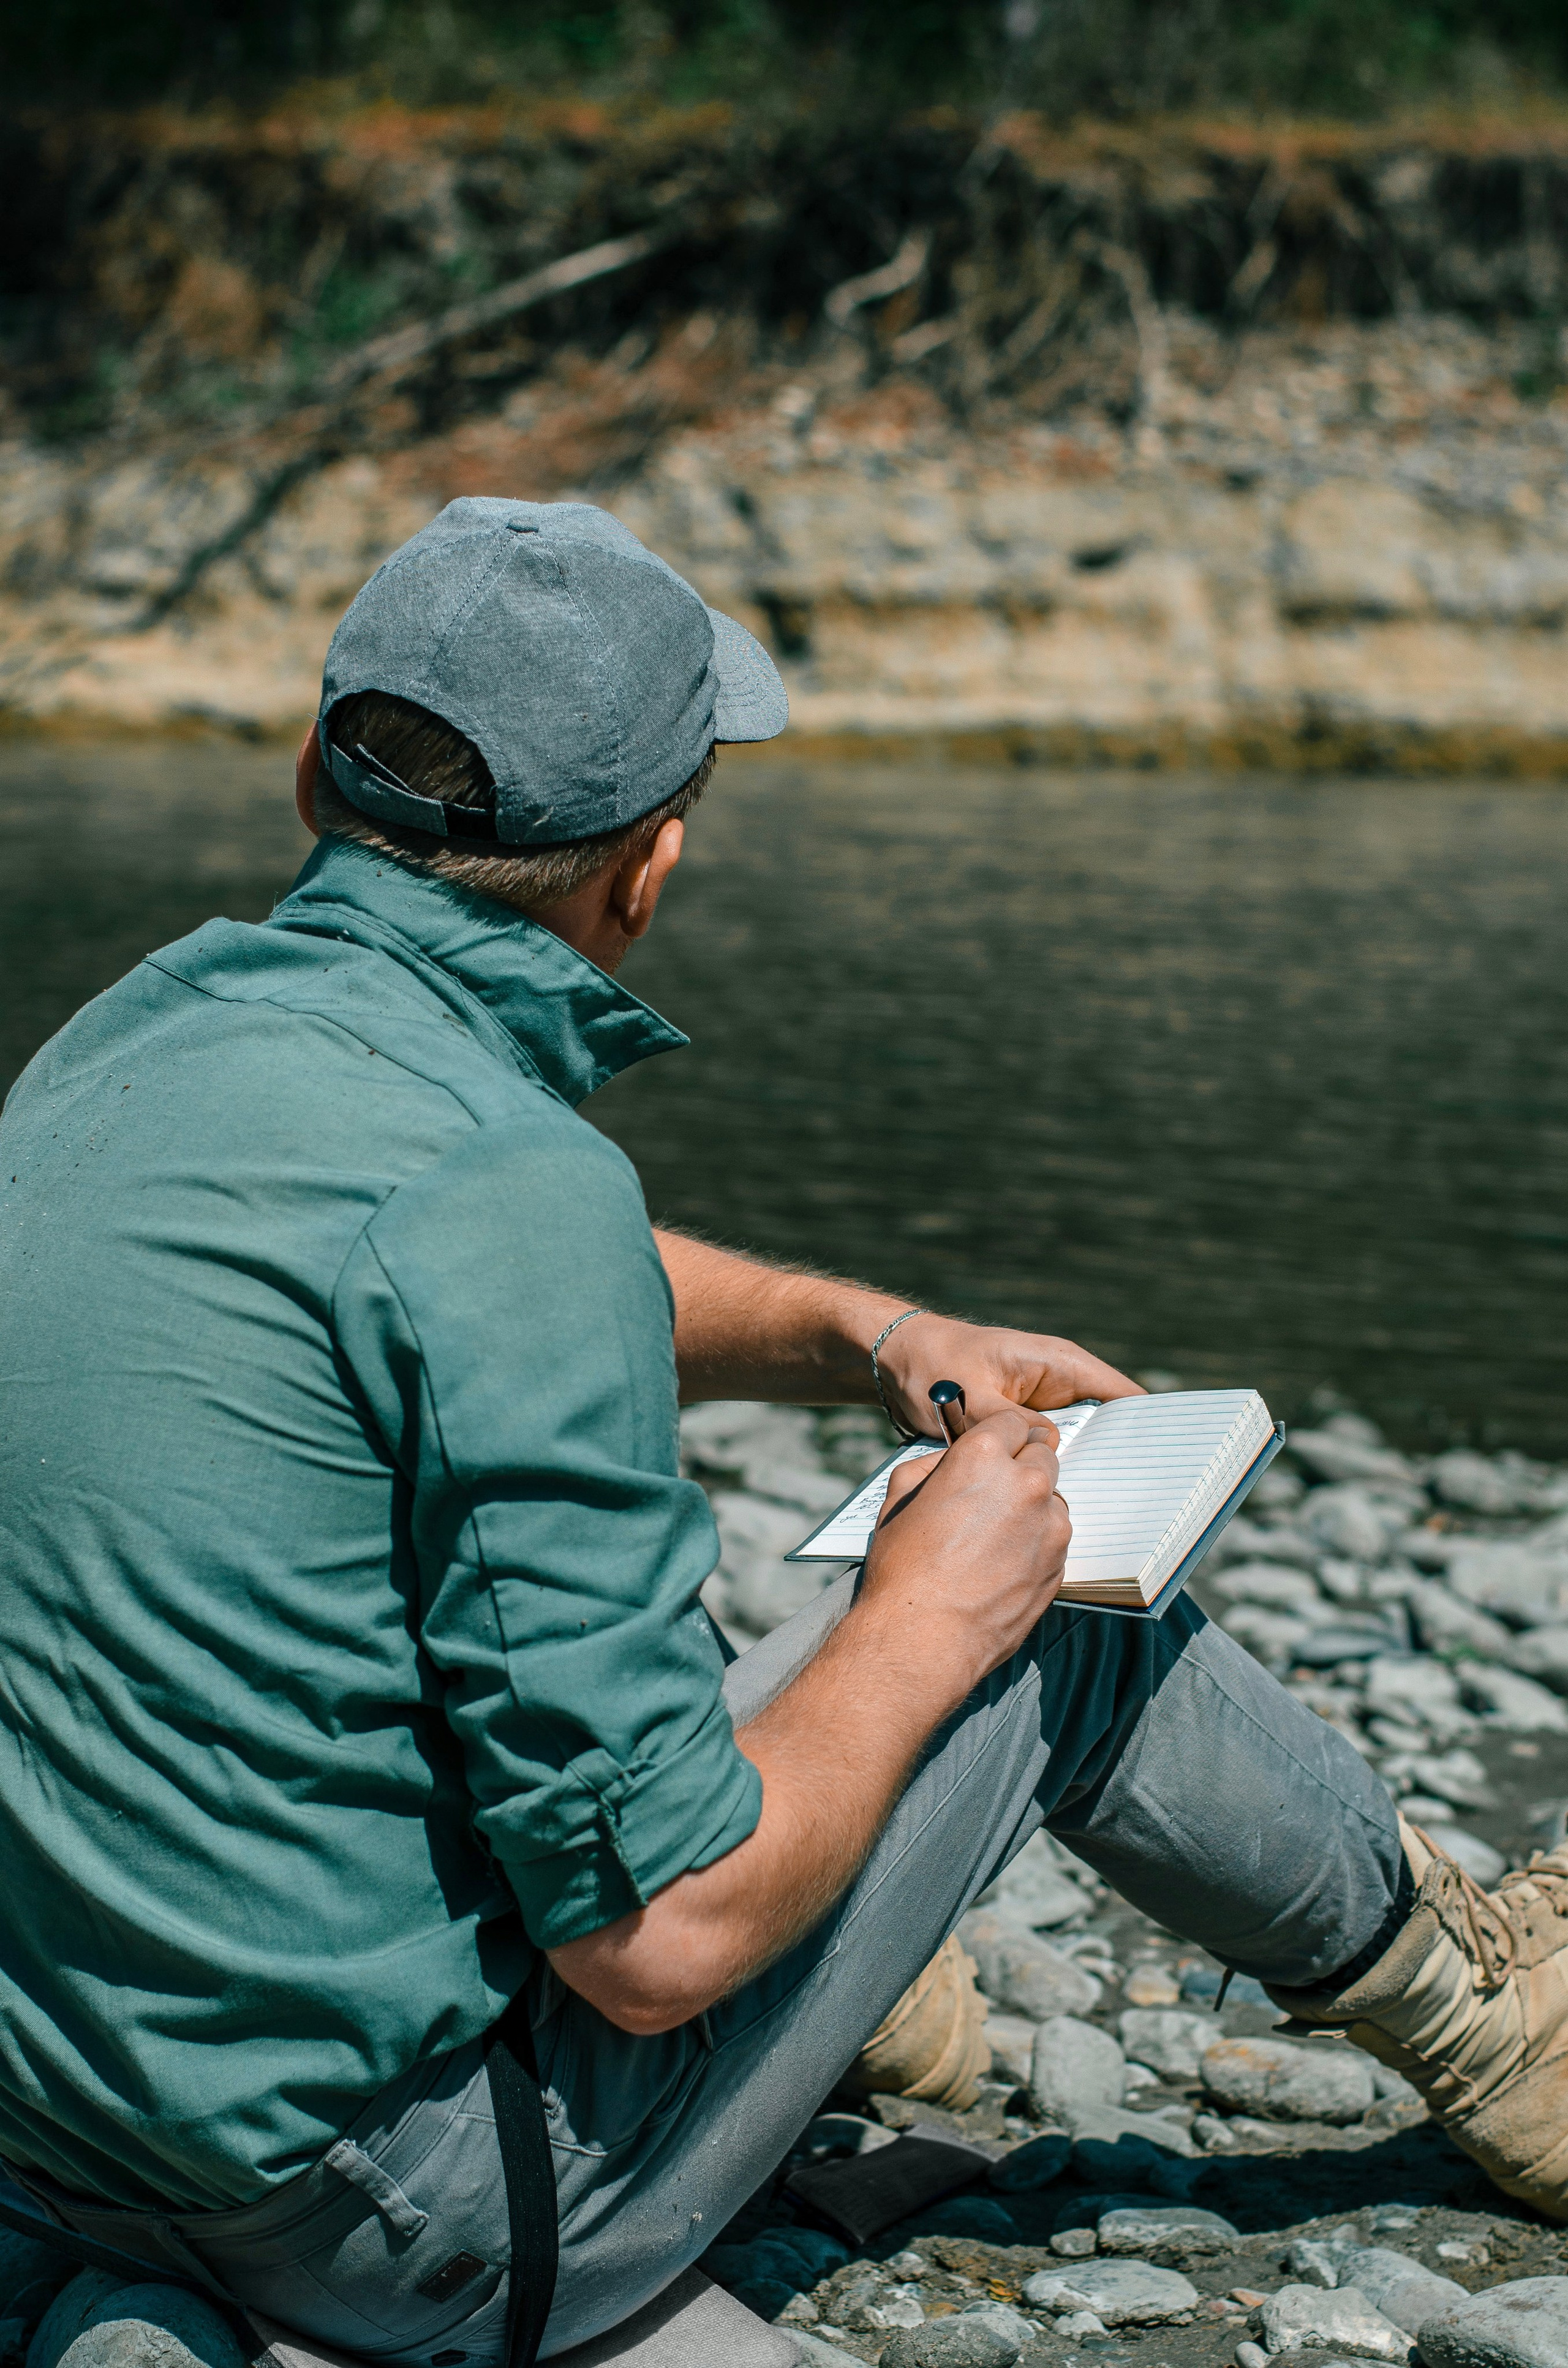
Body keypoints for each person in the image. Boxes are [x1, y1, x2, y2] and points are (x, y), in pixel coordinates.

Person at [0, 499, 1563, 2368]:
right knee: (1045, 1600)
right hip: (411, 2209)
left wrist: (863, 1332)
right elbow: (652, 1935)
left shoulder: (130, 1045)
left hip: (69, 2121)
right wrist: (929, 1612)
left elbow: (426, 1278)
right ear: (647, 864)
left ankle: (853, 1998)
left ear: (317, 770)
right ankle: (1499, 2020)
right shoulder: (509, 1186)